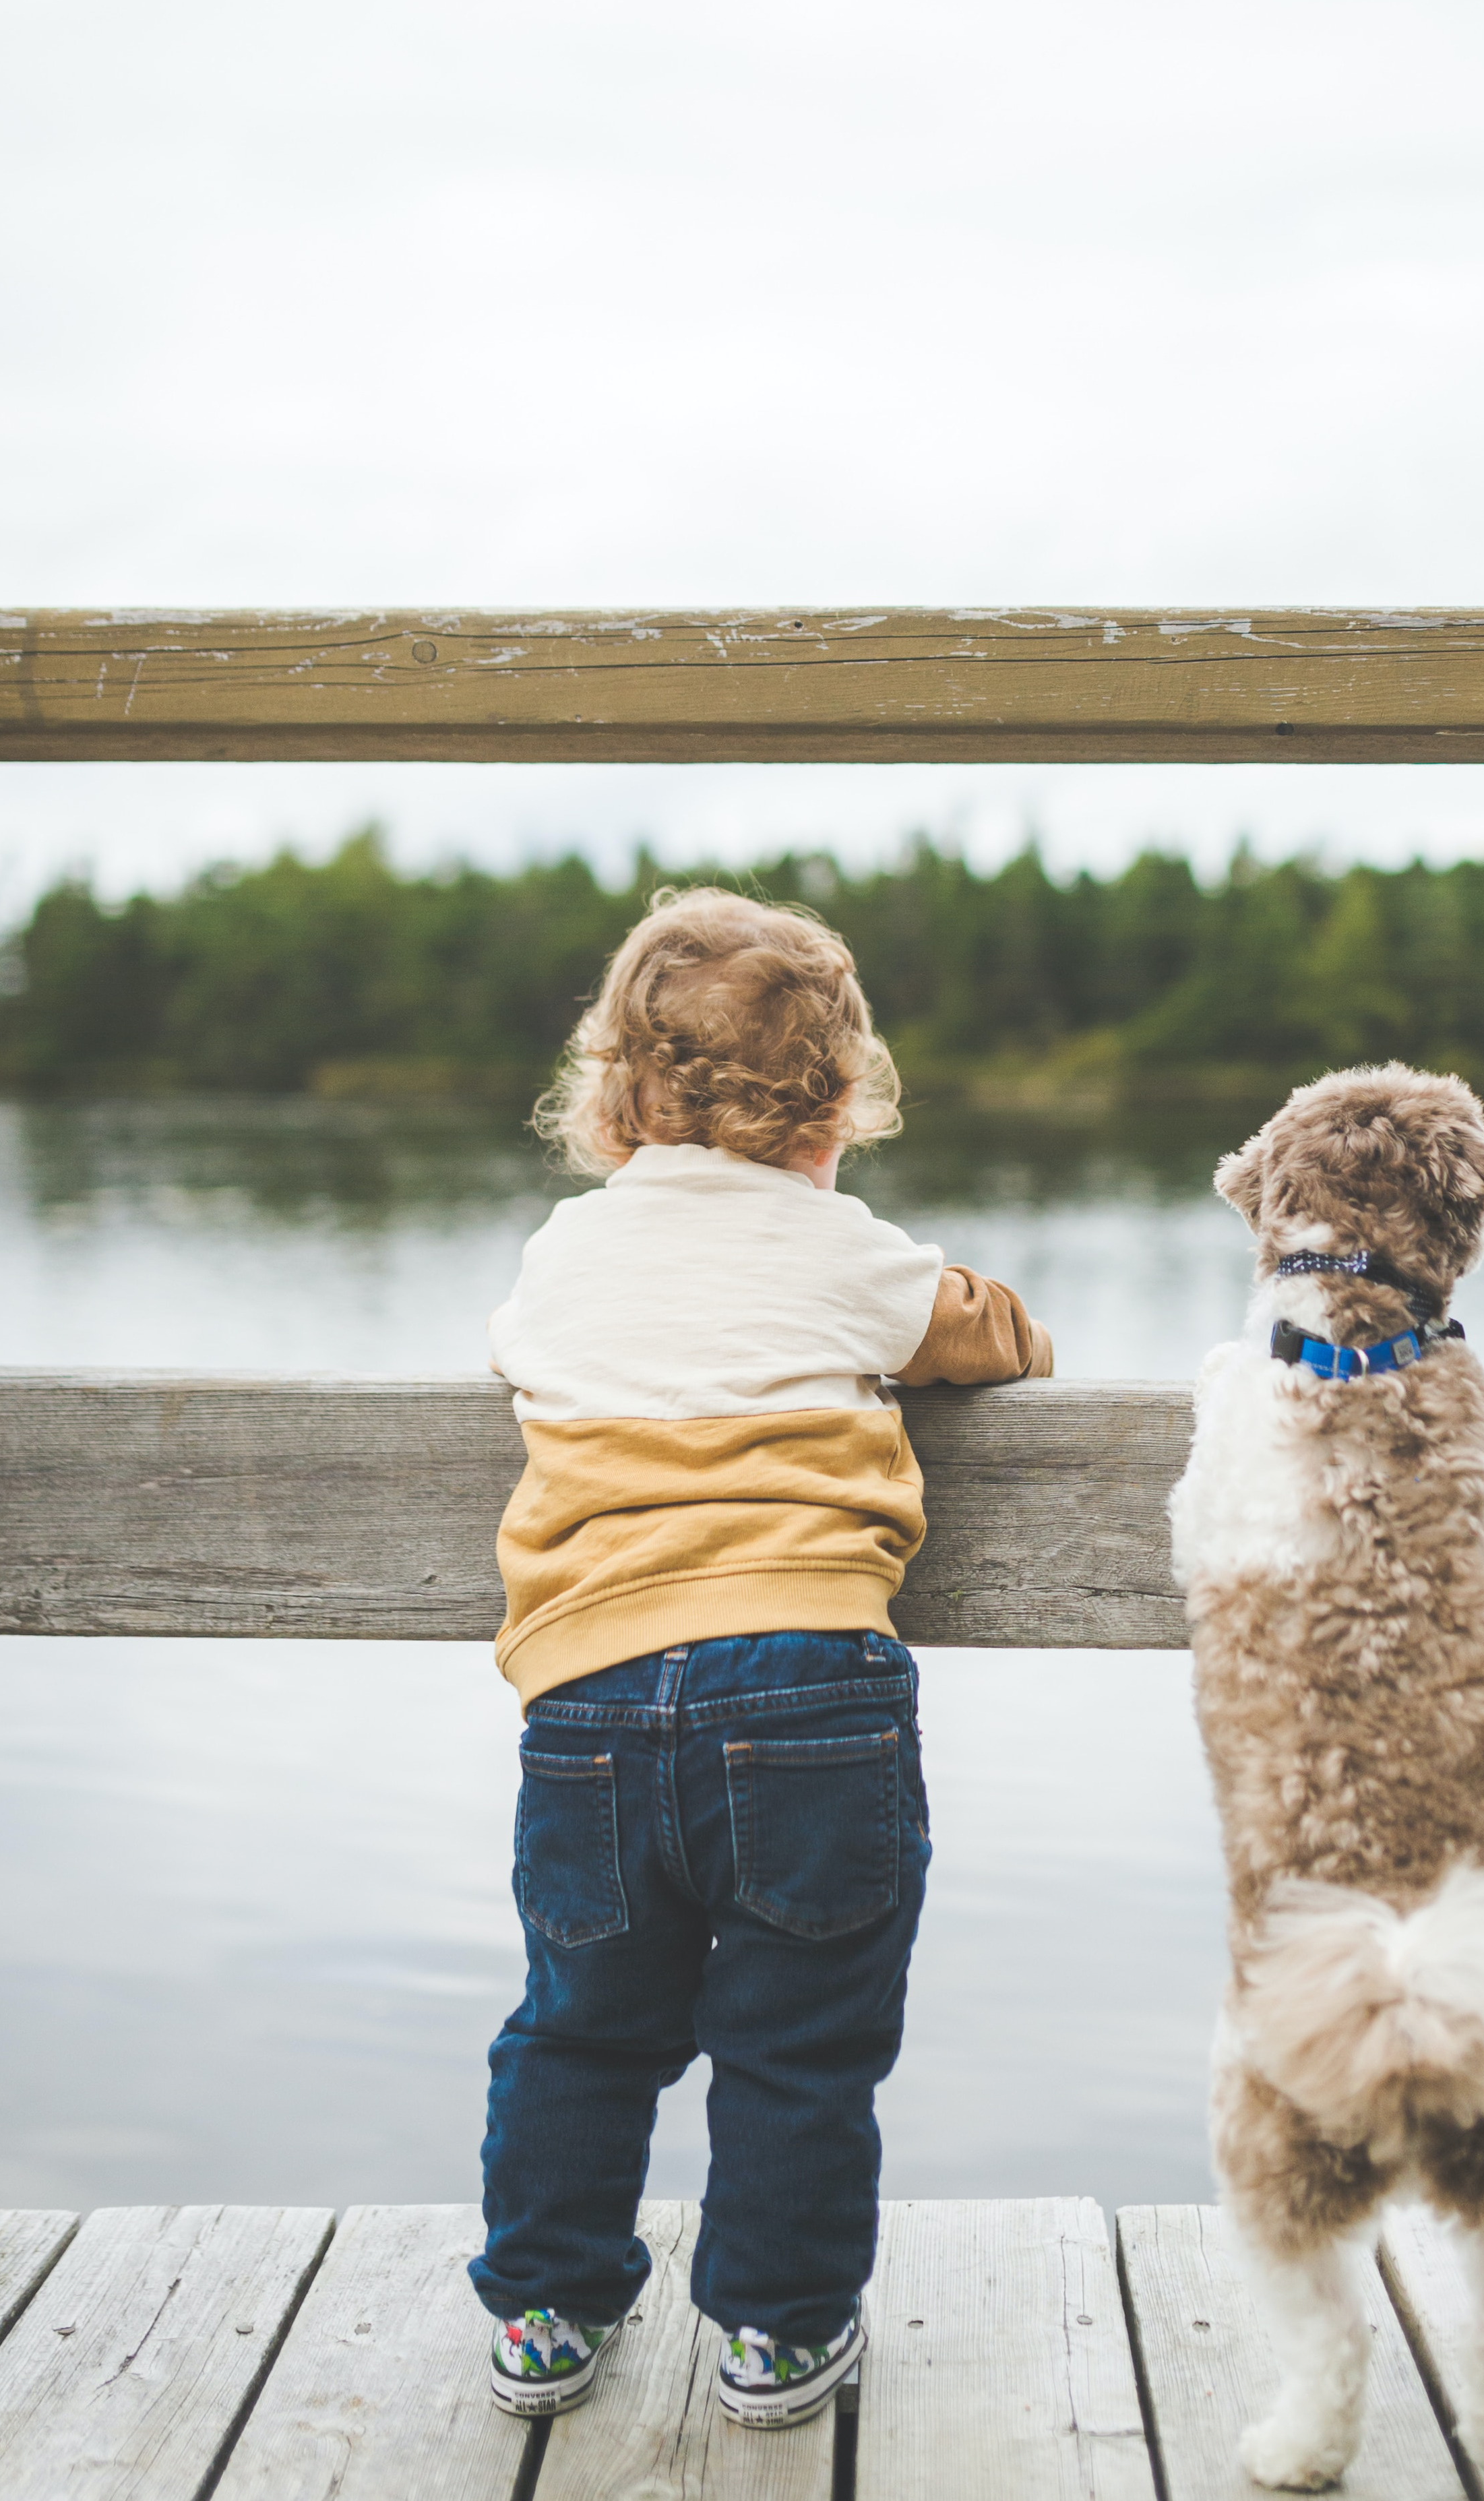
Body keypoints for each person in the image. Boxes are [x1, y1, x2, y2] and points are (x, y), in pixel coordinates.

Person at [465, 886, 1054, 2430]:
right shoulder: (843, 1249)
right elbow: (993, 1339)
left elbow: (513, 1350)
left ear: (610, 1100)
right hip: (806, 1690)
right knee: (801, 2045)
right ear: (841, 1102)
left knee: (580, 2025)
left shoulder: (564, 1255)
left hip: (587, 1700)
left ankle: (544, 2310)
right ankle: (780, 2338)